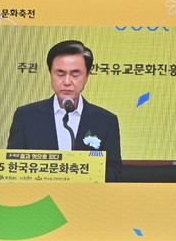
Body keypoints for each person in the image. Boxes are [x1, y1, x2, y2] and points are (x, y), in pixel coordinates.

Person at [7, 40, 122, 182]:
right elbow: (12, 166)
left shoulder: (106, 120)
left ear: (87, 76)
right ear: (51, 74)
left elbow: (114, 171)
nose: (67, 82)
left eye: (75, 74)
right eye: (60, 74)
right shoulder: (26, 117)